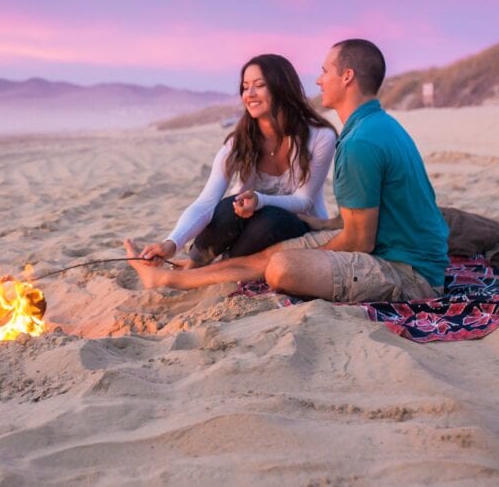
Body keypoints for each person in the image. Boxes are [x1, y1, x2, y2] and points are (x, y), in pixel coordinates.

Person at [126, 39, 449, 302]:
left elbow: (359, 240)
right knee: (270, 252)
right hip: (386, 246)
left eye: (325, 71)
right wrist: (173, 242)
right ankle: (171, 276)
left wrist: (310, 254)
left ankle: (175, 276)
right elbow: (357, 227)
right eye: (245, 86)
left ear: (347, 76)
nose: (319, 80)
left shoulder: (358, 143)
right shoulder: (374, 126)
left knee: (279, 265)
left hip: (408, 271)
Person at [137, 54, 337, 269]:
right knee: (228, 207)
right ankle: (197, 263)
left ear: (282, 88)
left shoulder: (320, 136)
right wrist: (171, 244)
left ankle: (221, 268)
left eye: (259, 85)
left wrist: (260, 201)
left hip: (298, 227)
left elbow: (303, 200)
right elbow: (206, 202)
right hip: (245, 231)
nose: (249, 94)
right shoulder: (237, 144)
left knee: (271, 219)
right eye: (245, 86)